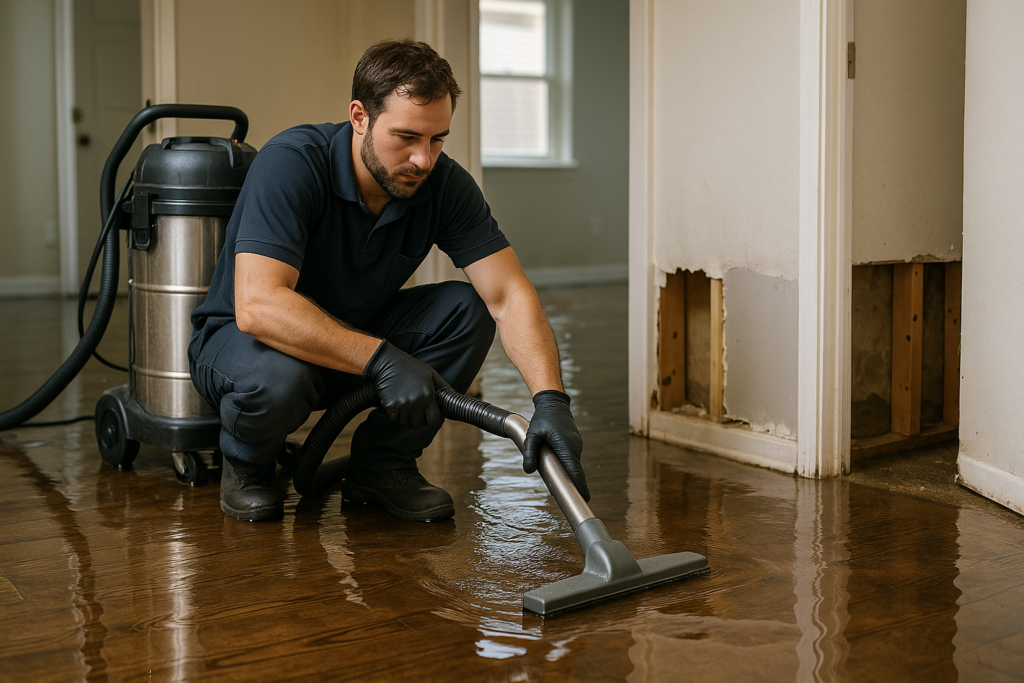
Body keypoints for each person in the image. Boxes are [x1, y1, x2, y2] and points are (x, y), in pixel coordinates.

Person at [188, 39, 589, 523]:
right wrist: (380, 360)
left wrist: (551, 399)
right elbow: (259, 305)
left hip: (351, 345)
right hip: (243, 348)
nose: (424, 159)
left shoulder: (442, 185)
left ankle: (381, 467)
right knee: (282, 376)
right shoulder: (292, 162)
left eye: (437, 139)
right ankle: (248, 464)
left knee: (468, 309)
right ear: (359, 117)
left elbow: (507, 294)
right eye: (406, 137)